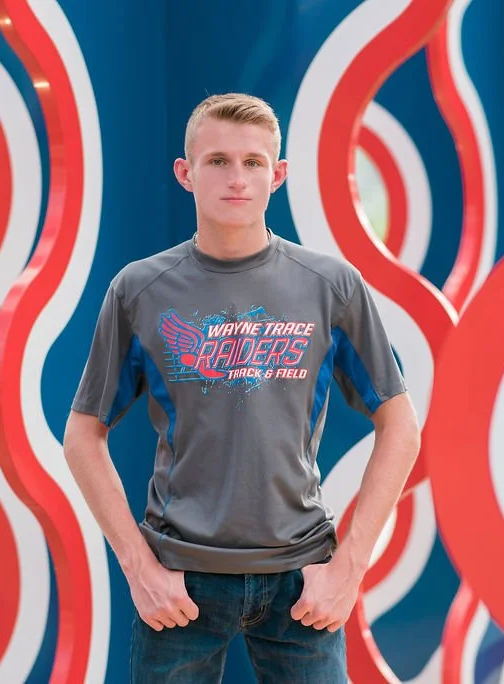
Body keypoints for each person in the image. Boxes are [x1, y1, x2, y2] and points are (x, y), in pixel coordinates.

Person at [63, 93, 421, 683]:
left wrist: (350, 568)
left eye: (254, 162)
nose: (237, 178)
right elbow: (83, 434)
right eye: (218, 161)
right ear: (186, 173)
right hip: (180, 583)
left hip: (301, 583)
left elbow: (400, 425)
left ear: (277, 175)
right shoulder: (140, 289)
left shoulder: (330, 286)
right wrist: (137, 566)